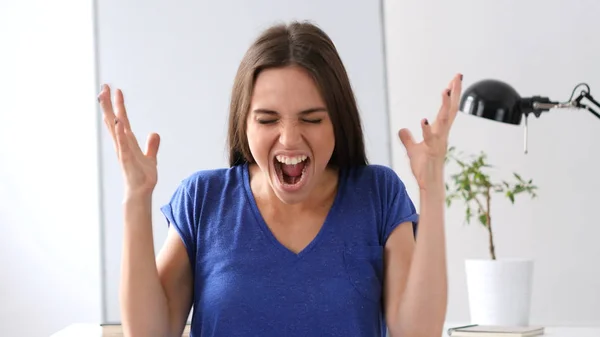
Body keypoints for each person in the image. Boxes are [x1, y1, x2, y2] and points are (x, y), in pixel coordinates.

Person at [98, 20, 462, 337]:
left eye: (312, 119)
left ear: (339, 122)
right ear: (243, 124)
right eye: (268, 119)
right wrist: (136, 195)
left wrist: (431, 188)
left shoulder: (378, 195)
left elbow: (417, 332)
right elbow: (149, 333)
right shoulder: (203, 199)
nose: (289, 138)